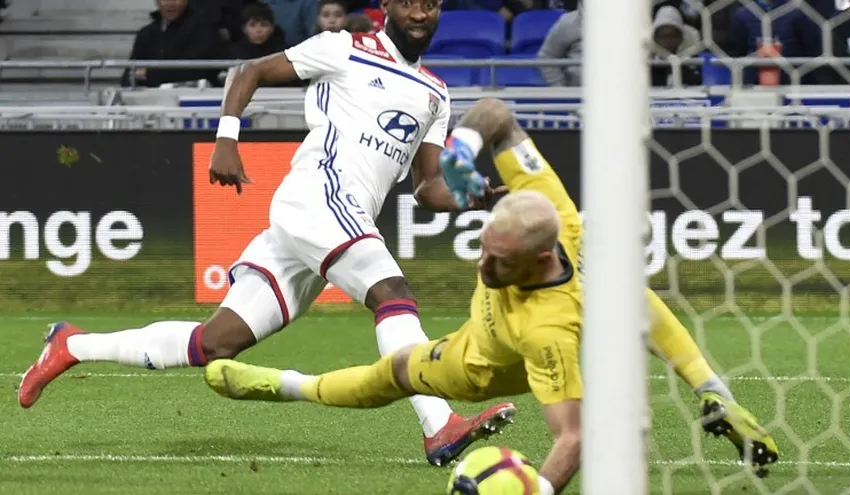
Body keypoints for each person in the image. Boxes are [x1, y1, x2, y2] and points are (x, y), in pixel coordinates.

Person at [17, 0, 510, 469]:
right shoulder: (344, 47)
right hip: (318, 196)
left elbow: (428, 189)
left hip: (336, 219)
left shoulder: (434, 93)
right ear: (387, 6)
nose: (419, 13)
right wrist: (226, 139)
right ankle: (439, 425)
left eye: (430, 4)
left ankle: (72, 345)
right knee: (393, 295)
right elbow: (249, 71)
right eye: (408, 3)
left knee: (215, 343)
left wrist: (475, 197)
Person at [204, 97, 781, 495]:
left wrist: (537, 488)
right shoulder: (552, 209)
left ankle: (290, 385)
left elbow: (574, 437)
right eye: (483, 249)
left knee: (395, 373)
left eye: (498, 262)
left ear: (539, 261)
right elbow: (499, 114)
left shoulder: (546, 330)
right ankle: (715, 390)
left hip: (480, 362)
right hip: (563, 306)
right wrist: (463, 146)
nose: (482, 266)